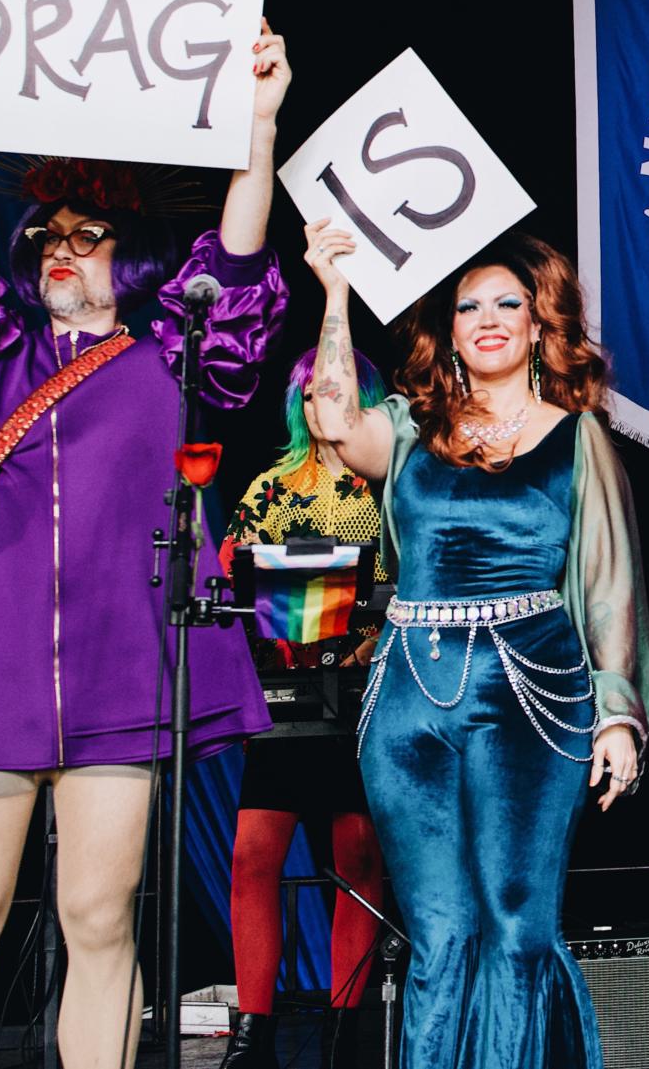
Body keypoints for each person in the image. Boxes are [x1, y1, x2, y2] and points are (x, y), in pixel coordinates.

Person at [0, 17, 291, 1069]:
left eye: (84, 234)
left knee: (100, 922)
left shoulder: (172, 354)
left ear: (124, 254)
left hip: (120, 666)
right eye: (46, 235)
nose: (60, 248)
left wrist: (260, 126)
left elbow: (231, 267)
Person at [302, 223, 649, 1069]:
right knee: (440, 932)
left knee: (516, 920)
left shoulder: (577, 434)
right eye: (469, 306)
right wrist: (335, 288)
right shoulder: (410, 429)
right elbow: (331, 416)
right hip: (408, 702)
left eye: (509, 303)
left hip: (532, 694)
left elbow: (609, 582)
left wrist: (616, 715)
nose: (489, 317)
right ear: (449, 329)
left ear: (538, 325)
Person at [215, 348, 395, 1069]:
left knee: (356, 856)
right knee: (252, 854)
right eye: (316, 391)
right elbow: (231, 580)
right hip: (286, 696)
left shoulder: (391, 483)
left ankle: (344, 1035)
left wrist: (378, 632)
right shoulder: (271, 485)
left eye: (343, 391)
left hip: (365, 694)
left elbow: (416, 578)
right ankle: (251, 1034)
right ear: (300, 403)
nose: (329, 403)